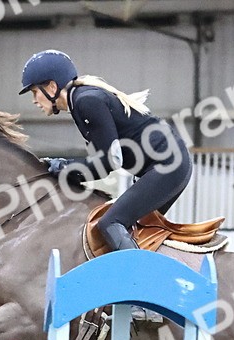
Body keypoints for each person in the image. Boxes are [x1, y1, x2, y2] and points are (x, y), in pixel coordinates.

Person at [19, 50, 192, 253]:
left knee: (110, 223)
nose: (34, 100)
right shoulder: (80, 101)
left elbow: (110, 162)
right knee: (134, 229)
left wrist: (65, 167)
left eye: (35, 92)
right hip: (168, 165)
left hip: (168, 166)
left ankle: (138, 272)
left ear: (52, 87)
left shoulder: (86, 101)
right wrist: (66, 167)